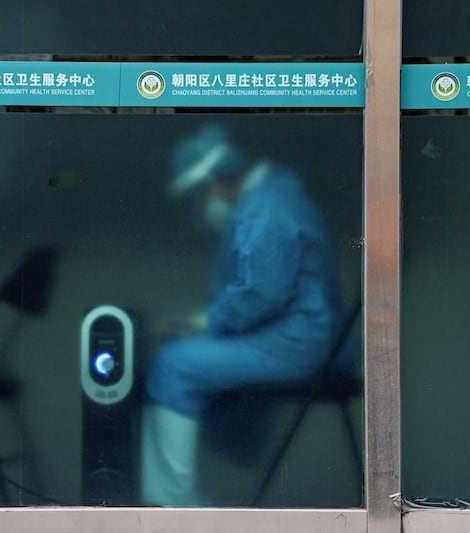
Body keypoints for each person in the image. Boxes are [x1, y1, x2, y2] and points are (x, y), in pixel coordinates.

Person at [139, 124, 345, 506]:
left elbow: (262, 294)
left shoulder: (265, 209)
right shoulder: (276, 193)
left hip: (296, 341)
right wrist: (204, 323)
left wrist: (203, 323)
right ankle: (175, 501)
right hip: (297, 334)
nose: (202, 205)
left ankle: (175, 510)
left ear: (219, 181)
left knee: (173, 365)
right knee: (177, 357)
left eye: (200, 195)